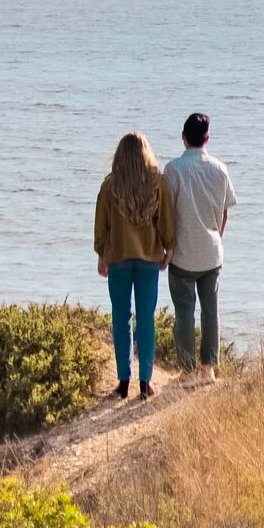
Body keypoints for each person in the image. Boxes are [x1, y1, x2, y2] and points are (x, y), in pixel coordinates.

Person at [93, 127, 174, 399]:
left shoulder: (110, 185)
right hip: (149, 259)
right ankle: (145, 381)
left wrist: (101, 255)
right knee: (146, 319)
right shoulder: (158, 183)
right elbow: (166, 221)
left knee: (121, 318)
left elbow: (102, 226)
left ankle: (123, 380)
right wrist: (169, 249)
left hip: (118, 258)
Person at [164, 109, 234, 374]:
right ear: (207, 138)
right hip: (211, 252)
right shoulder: (220, 169)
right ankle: (209, 368)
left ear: (183, 137)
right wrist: (217, 237)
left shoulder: (173, 169)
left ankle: (187, 370)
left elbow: (168, 213)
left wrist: (165, 248)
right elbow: (225, 212)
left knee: (184, 312)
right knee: (210, 311)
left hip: (182, 254)